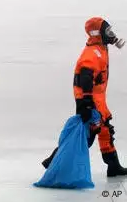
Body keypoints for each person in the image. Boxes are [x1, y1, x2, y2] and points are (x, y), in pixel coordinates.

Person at [42, 17, 127, 177]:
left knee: (104, 131)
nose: (111, 34)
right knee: (84, 137)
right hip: (92, 101)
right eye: (107, 31)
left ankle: (113, 166)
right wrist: (85, 103)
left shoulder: (100, 49)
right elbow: (84, 79)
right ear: (97, 33)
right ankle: (54, 162)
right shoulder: (92, 54)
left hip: (98, 100)